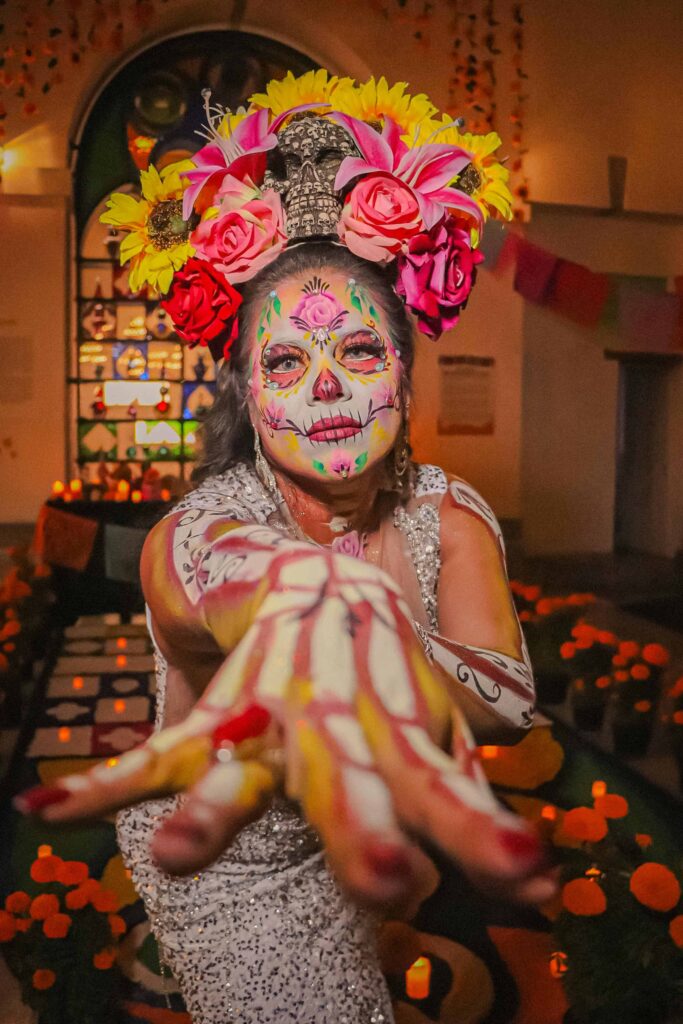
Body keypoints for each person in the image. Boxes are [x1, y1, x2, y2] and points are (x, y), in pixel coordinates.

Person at [17, 71, 552, 1024]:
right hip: (237, 872)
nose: (328, 389)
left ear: (402, 370)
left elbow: (510, 706)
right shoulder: (202, 530)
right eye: (284, 361)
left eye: (356, 352)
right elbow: (226, 579)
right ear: (248, 395)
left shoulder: (449, 511)